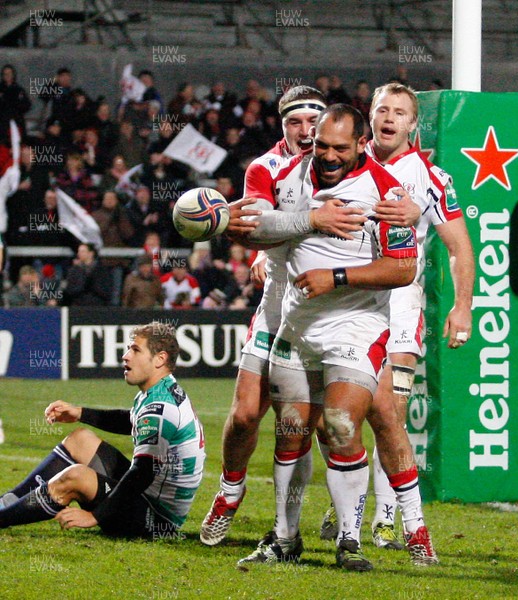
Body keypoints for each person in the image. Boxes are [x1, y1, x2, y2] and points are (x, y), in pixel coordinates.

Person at [237, 104, 417, 570]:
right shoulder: (290, 176)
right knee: (291, 432)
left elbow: (403, 268)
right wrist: (311, 221)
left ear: (362, 144)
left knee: (338, 425)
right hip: (297, 326)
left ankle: (350, 540)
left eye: (341, 148)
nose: (329, 156)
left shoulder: (386, 192)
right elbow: (252, 230)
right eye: (322, 146)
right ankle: (284, 538)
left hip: (356, 327)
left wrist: (335, 277)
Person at [199, 86, 365, 546]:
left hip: (336, 305)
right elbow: (254, 228)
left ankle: (331, 513)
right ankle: (230, 490)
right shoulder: (265, 168)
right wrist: (266, 240)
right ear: (283, 125)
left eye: (314, 120)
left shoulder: (347, 163)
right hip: (277, 298)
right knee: (246, 413)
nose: (306, 130)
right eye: (296, 121)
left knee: (321, 421)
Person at [317, 83, 473, 563]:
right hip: (343, 306)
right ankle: (349, 503)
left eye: (400, 112)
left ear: (412, 124)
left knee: (389, 412)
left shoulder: (428, 178)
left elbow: (459, 247)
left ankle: (388, 517)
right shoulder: (340, 163)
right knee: (333, 420)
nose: (389, 117)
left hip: (401, 308)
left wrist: (462, 305)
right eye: (382, 108)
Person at [0, 322, 206, 538]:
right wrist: (80, 413)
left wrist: (97, 516)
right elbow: (132, 421)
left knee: (75, 477)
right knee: (81, 439)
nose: (126, 356)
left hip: (155, 518)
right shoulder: (160, 389)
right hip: (146, 495)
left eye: (135, 350)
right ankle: (9, 501)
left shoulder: (161, 408)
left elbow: (143, 473)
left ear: (160, 359)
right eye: (128, 348)